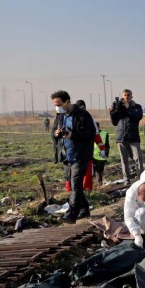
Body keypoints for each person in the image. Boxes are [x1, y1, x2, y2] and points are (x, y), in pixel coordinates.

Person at [51, 90, 96, 223]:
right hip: (66, 156)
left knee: (76, 185)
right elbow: (53, 134)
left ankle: (71, 214)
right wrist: (56, 133)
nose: (57, 107)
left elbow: (91, 133)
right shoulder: (59, 116)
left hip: (81, 155)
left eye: (59, 104)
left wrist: (73, 135)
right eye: (55, 104)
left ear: (67, 101)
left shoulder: (82, 115)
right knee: (73, 184)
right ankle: (84, 208)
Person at [110, 89, 144, 185]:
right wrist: (112, 112)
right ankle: (126, 179)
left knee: (138, 159)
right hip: (121, 137)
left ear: (132, 96)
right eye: (125, 95)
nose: (126, 96)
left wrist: (128, 107)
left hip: (133, 137)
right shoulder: (119, 107)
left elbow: (138, 116)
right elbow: (114, 122)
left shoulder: (137, 107)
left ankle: (141, 178)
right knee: (124, 160)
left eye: (128, 95)